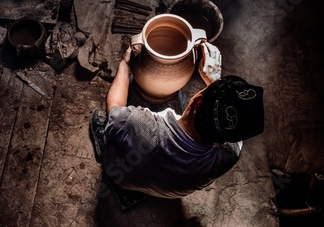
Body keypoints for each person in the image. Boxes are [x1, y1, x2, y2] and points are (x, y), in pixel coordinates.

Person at [90, 41, 265, 199]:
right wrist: (214, 85)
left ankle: (103, 140)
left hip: (122, 178)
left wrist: (125, 63)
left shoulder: (136, 124)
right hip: (166, 192)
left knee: (116, 119)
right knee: (177, 95)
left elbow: (115, 105)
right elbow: (235, 134)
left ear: (197, 101)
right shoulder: (227, 158)